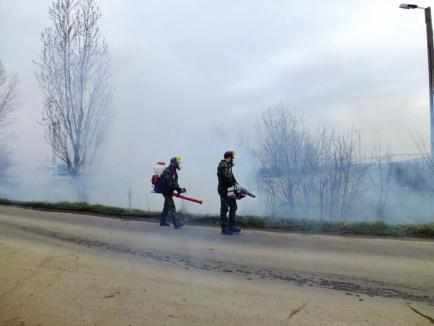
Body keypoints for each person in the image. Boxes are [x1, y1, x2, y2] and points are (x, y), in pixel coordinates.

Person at [217, 151, 241, 235]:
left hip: (230, 189)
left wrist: (237, 186)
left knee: (234, 207)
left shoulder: (227, 166)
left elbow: (232, 178)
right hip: (224, 190)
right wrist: (236, 187)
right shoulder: (223, 166)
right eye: (232, 158)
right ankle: (224, 229)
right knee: (224, 209)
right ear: (229, 157)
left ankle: (231, 226)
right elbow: (228, 178)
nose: (232, 160)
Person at [160, 157, 186, 229]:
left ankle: (162, 221)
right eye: (177, 162)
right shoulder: (168, 171)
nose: (178, 164)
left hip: (169, 191)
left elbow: (175, 183)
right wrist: (178, 189)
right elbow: (170, 183)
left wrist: (179, 189)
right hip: (165, 191)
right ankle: (176, 223)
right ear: (173, 163)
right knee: (172, 207)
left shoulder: (174, 171)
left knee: (167, 206)